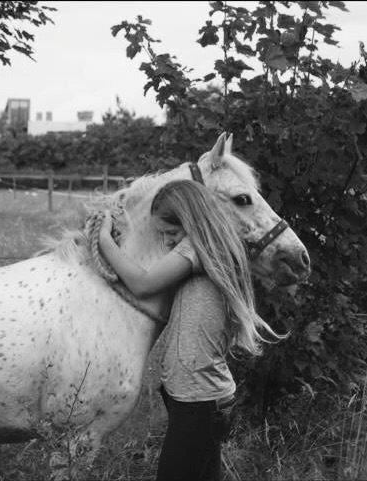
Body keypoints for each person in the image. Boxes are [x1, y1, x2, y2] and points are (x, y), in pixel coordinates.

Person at [98, 179, 283, 481]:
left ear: (190, 221)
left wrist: (106, 241)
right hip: (201, 397)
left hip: (199, 402)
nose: (169, 243)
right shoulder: (211, 249)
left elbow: (143, 285)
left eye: (171, 233)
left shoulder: (196, 248)